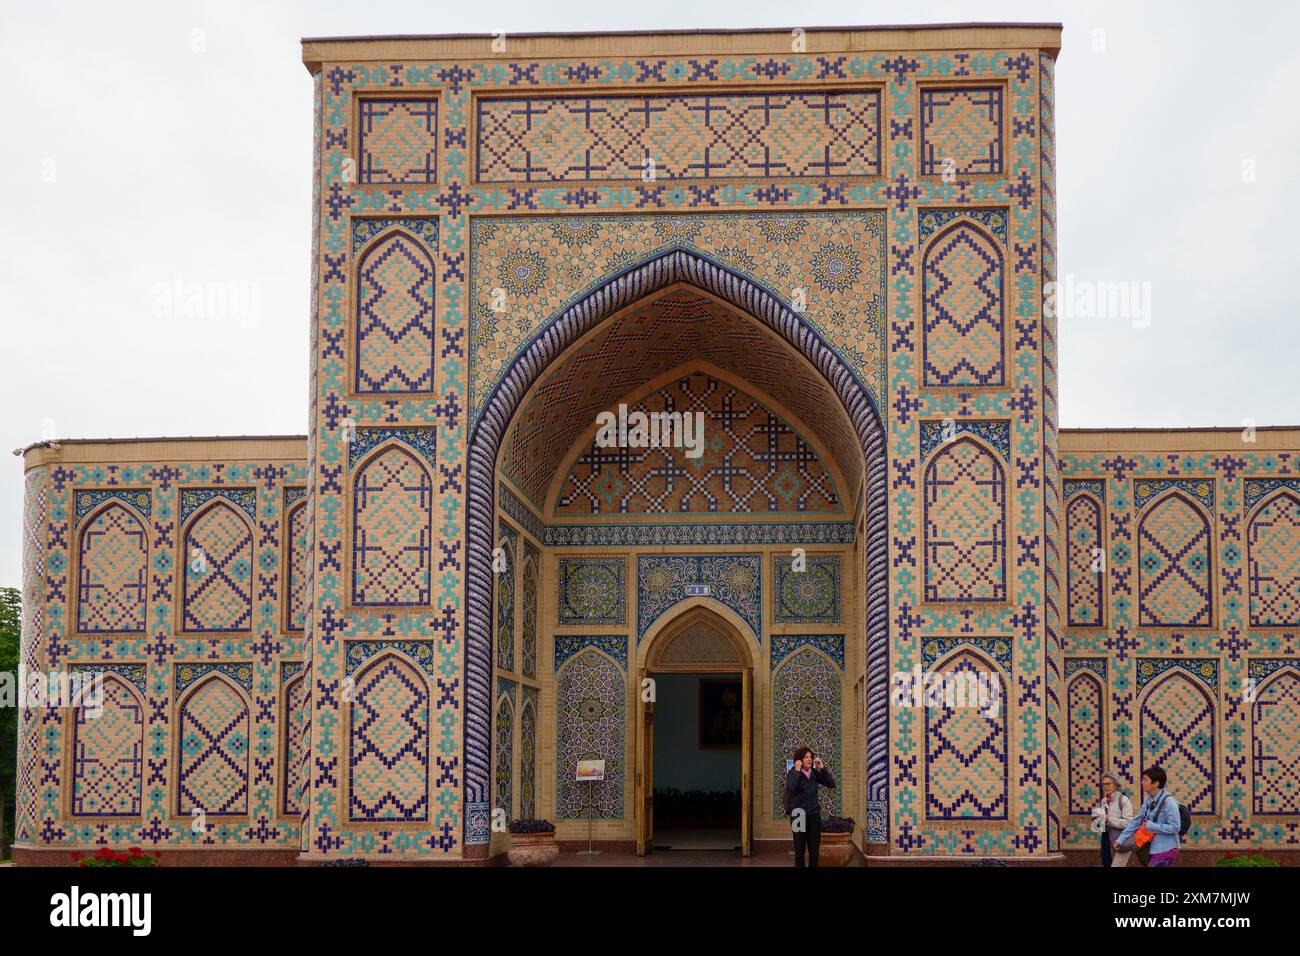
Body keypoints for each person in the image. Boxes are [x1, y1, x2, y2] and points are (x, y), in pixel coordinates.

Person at [1113, 765, 1181, 867]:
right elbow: (1137, 820)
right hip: (1151, 848)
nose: (1142, 782)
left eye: (1145, 779)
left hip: (1166, 848)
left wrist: (1151, 826)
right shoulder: (1149, 799)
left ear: (1156, 783)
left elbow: (1175, 827)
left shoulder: (1169, 802)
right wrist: (1121, 839)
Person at [785, 745, 835, 867]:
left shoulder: (814, 773)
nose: (809, 759)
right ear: (799, 760)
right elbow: (792, 788)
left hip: (813, 815)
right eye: (805, 757)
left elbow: (831, 784)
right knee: (800, 850)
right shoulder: (792, 773)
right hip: (798, 815)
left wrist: (822, 769)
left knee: (814, 849)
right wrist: (797, 771)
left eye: (810, 757)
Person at [1091, 770, 1134, 867]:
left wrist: (1109, 819)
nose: (1105, 787)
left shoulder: (1124, 800)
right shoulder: (1104, 800)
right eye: (1103, 784)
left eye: (1108, 784)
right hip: (1107, 840)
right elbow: (1102, 825)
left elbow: (1129, 823)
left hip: (1122, 841)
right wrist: (1097, 822)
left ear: (1116, 784)